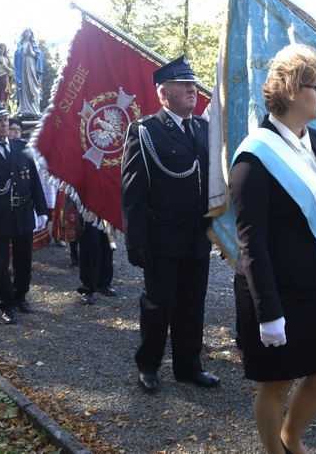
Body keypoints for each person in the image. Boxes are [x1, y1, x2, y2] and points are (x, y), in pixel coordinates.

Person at [229, 44, 316, 454]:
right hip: (274, 290)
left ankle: (290, 435)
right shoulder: (253, 157)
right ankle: (276, 450)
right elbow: (251, 242)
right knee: (277, 382)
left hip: (315, 286)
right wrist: (268, 313)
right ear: (294, 91)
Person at [121, 55, 218, 393]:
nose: (193, 89)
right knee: (159, 305)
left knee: (193, 304)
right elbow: (133, 191)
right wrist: (136, 242)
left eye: (193, 84)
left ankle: (188, 366)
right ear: (164, 93)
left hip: (197, 236)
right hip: (161, 238)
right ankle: (148, 365)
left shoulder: (204, 129)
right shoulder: (145, 132)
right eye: (183, 84)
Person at [0, 102, 48, 324]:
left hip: (23, 211)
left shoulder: (22, 147)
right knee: (1, 264)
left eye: (5, 120)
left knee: (24, 259)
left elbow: (34, 182)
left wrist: (41, 210)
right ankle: (7, 304)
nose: (4, 124)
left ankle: (21, 296)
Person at [14, 28, 43, 115]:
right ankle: (24, 109)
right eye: (27, 32)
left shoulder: (34, 45)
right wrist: (23, 51)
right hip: (24, 66)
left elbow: (40, 55)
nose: (28, 33)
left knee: (35, 86)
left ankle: (35, 109)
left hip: (33, 66)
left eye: (30, 32)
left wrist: (31, 52)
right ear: (24, 33)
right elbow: (17, 55)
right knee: (24, 85)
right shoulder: (20, 44)